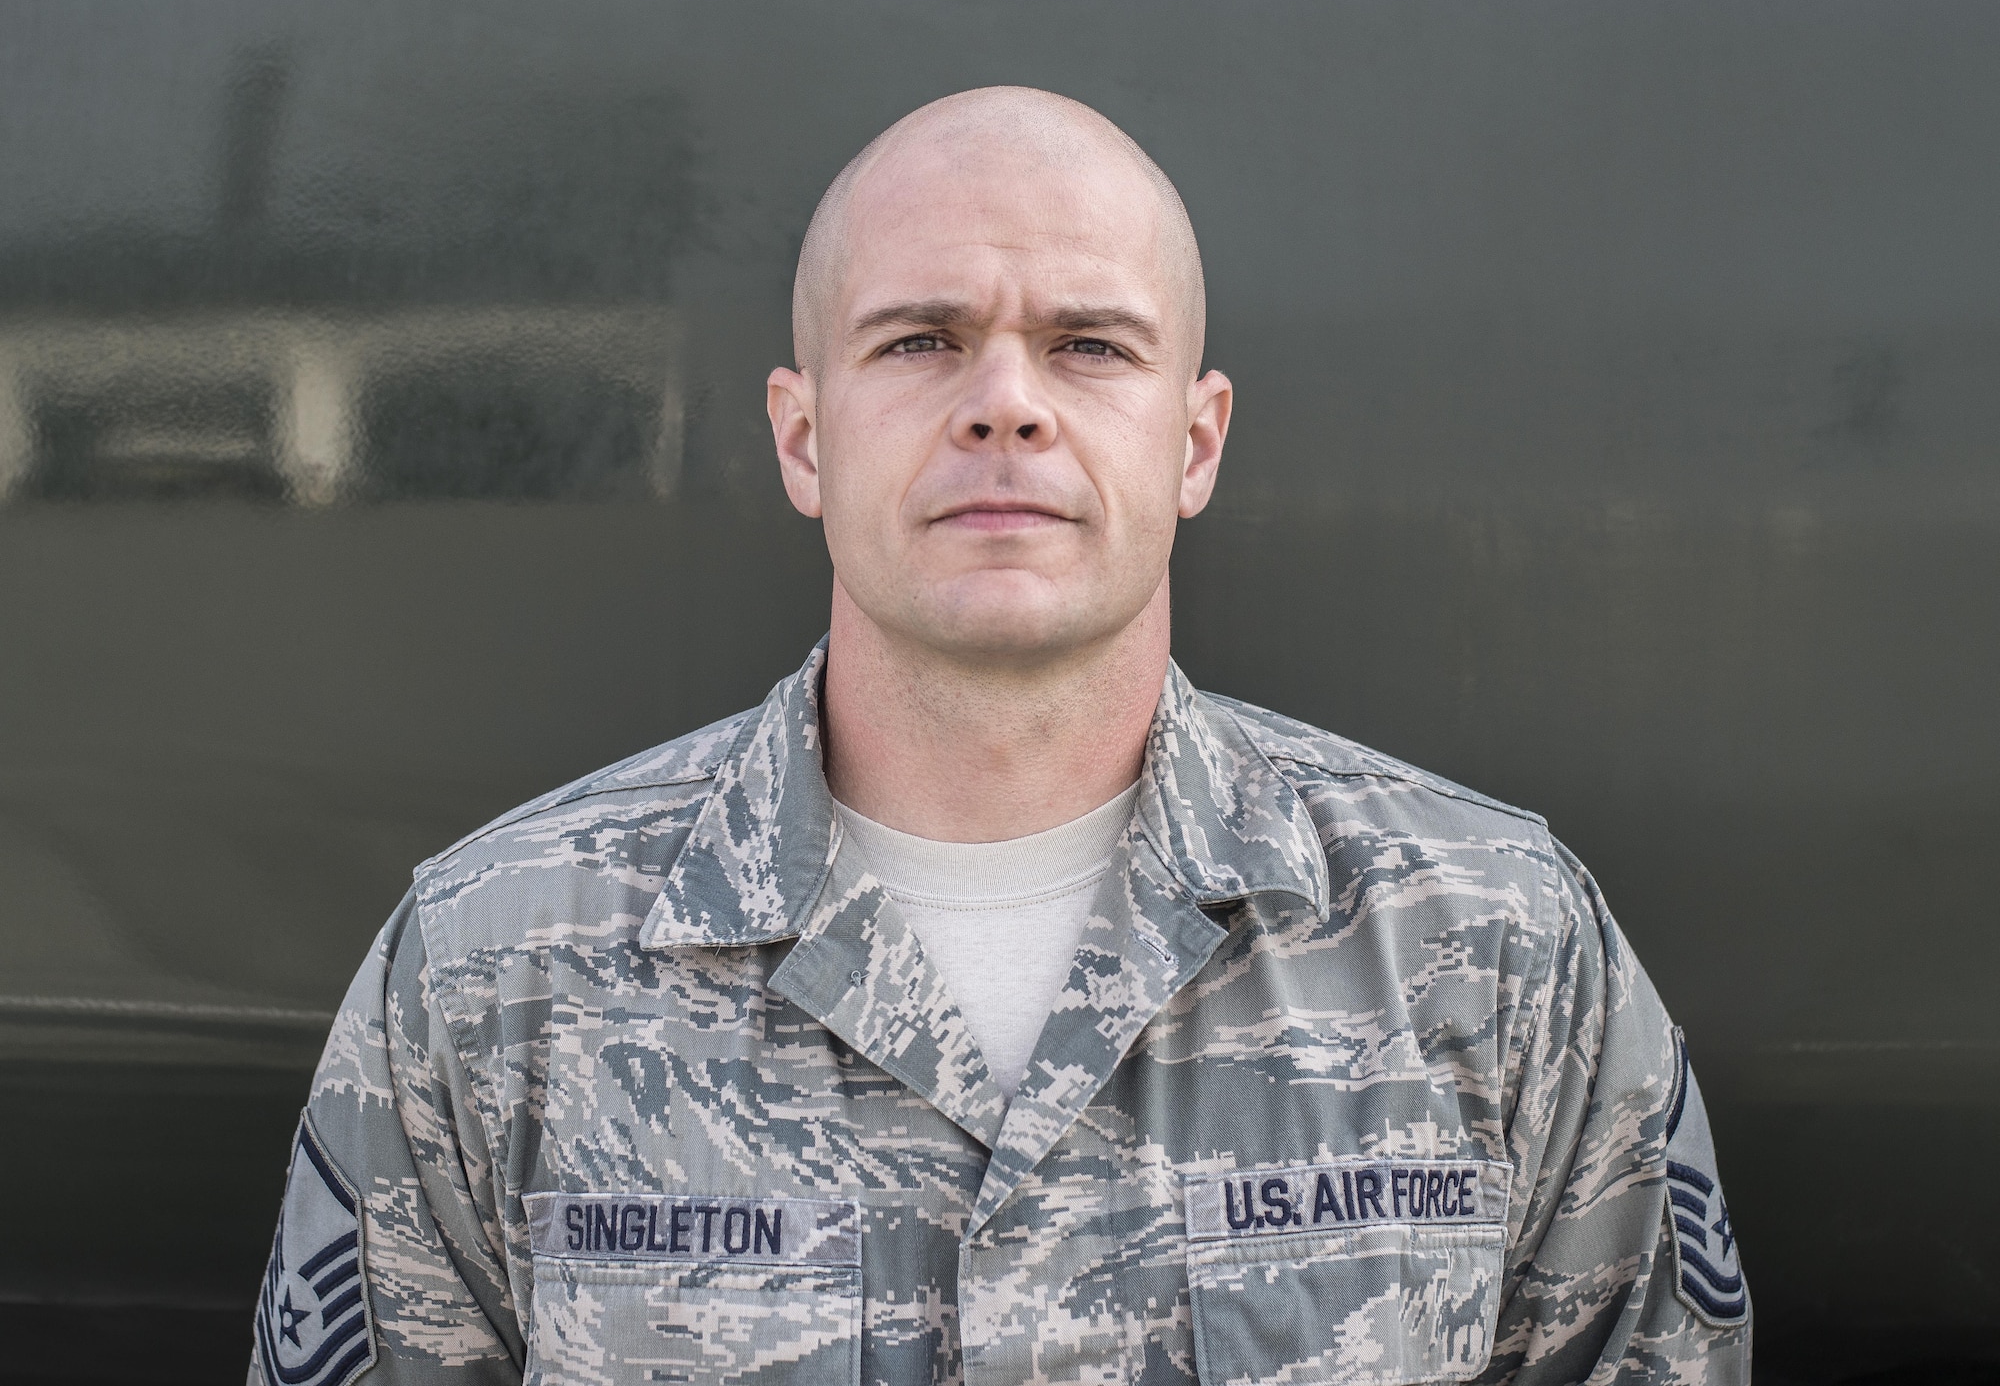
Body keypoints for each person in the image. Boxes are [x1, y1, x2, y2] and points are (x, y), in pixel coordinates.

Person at [252, 86, 1749, 1386]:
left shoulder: (1496, 946)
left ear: (1197, 440)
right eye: (920, 339)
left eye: (1091, 343)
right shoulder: (495, 967)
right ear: (801, 434)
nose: (1007, 405)